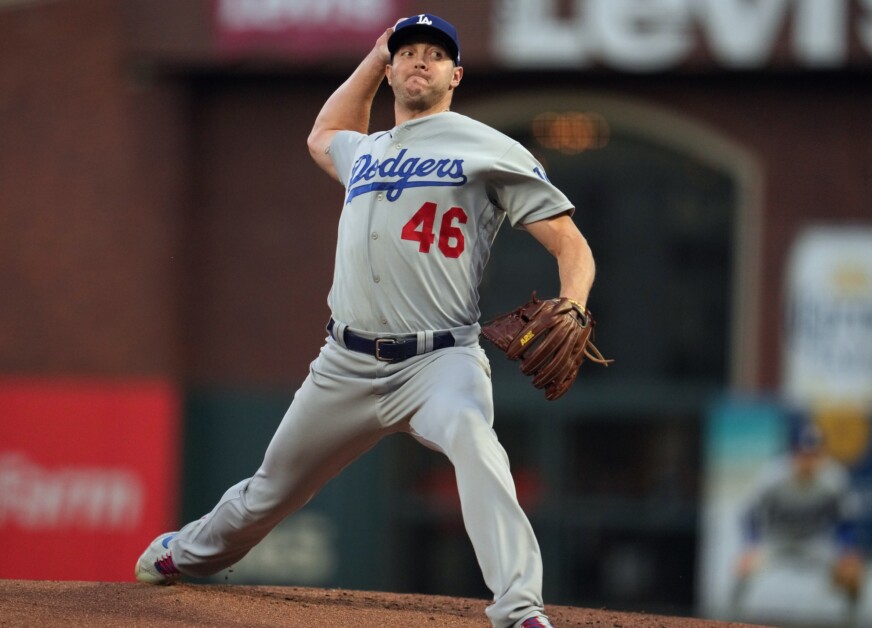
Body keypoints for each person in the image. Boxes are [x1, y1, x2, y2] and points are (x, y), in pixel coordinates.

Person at [135, 13, 596, 628]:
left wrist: (574, 301)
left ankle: (520, 611)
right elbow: (324, 132)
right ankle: (184, 553)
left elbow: (571, 243)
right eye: (407, 52)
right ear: (391, 67)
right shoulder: (368, 151)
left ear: (456, 74)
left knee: (476, 445)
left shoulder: (487, 146)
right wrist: (372, 58)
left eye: (435, 53)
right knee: (271, 491)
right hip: (344, 365)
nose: (419, 60)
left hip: (440, 361)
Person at [730, 421, 864, 623]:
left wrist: (847, 550)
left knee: (853, 575)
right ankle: (729, 620)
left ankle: (852, 622)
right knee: (743, 569)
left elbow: (846, 522)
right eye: (803, 454)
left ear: (821, 454)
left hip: (815, 541)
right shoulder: (773, 475)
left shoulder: (833, 478)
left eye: (814, 454)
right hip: (776, 540)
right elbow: (750, 515)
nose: (808, 460)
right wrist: (750, 545)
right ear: (793, 453)